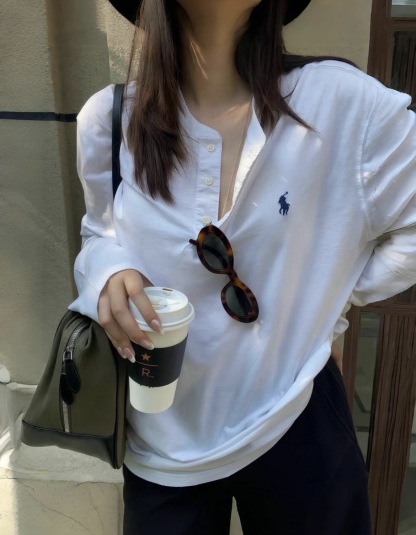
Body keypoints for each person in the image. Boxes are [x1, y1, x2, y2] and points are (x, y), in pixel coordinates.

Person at [69, 0, 416, 533]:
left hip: (297, 414)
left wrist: (326, 299)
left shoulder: (339, 104)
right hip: (165, 435)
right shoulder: (111, 120)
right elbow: (99, 233)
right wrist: (109, 272)